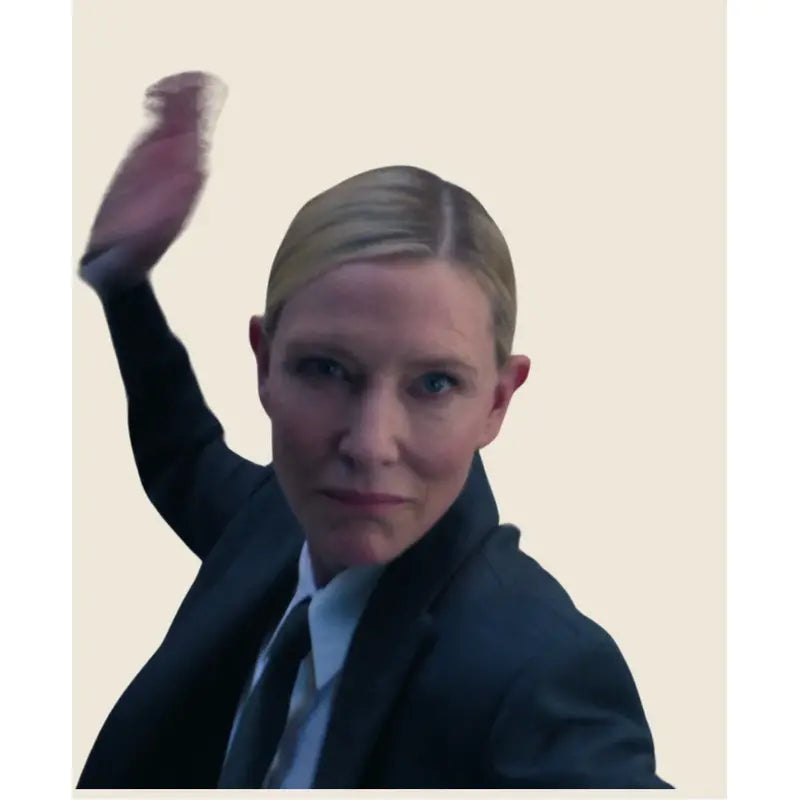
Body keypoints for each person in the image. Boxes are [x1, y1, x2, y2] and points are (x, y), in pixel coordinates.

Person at [76, 72, 672, 790]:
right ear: (265, 364)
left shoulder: (539, 676)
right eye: (326, 370)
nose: (368, 444)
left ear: (498, 401)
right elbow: (185, 458)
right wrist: (123, 285)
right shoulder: (279, 522)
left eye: (434, 384)